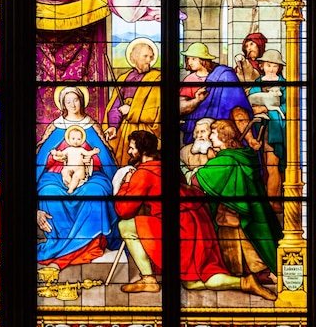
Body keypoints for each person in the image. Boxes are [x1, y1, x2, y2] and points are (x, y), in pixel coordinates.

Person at [115, 131, 276, 300]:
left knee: (125, 226)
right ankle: (244, 283)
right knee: (193, 280)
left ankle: (148, 279)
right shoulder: (166, 165)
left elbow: (124, 210)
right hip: (198, 222)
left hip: (180, 226)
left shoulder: (144, 172)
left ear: (142, 150)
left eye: (132, 148)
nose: (129, 152)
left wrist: (126, 184)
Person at [36, 86, 120, 269]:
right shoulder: (56, 127)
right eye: (68, 101)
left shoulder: (92, 126)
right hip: (57, 174)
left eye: (76, 100)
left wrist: (87, 156)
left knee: (96, 191)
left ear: (82, 101)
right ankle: (60, 244)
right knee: (48, 192)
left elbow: (103, 157)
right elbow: (43, 158)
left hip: (89, 173)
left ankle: (90, 246)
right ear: (62, 104)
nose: (72, 104)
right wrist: (55, 156)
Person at [191, 119, 283, 282]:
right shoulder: (242, 156)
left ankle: (252, 273)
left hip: (235, 218)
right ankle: (251, 273)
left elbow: (197, 181)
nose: (211, 137)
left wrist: (205, 166)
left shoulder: (226, 160)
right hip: (240, 215)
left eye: (213, 132)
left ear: (224, 136)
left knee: (246, 246)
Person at [179, 42, 258, 149]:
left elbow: (236, 105)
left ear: (203, 60)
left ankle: (249, 139)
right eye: (188, 59)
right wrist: (197, 100)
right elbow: (180, 108)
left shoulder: (224, 75)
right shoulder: (190, 80)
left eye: (193, 58)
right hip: (199, 128)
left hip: (224, 126)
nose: (189, 62)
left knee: (237, 109)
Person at [103, 37, 161, 167]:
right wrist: (113, 126)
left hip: (146, 130)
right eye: (145, 56)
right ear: (134, 57)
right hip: (124, 130)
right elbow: (115, 105)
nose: (149, 60)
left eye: (151, 57)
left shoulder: (157, 78)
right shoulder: (124, 78)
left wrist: (131, 111)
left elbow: (157, 111)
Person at [248, 49, 287, 211]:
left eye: (274, 66)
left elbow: (290, 106)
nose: (271, 69)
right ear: (262, 66)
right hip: (261, 130)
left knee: (274, 164)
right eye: (268, 65)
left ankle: (273, 202)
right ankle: (272, 201)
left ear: (279, 68)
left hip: (278, 130)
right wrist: (257, 108)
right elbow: (250, 105)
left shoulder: (284, 85)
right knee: (267, 165)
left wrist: (268, 109)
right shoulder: (257, 84)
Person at [50, 125, 100, 194]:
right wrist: (55, 153)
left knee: (76, 176)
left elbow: (88, 153)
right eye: (73, 138)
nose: (76, 141)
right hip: (69, 169)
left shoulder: (81, 149)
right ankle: (71, 185)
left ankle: (71, 189)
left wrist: (94, 152)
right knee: (64, 172)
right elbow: (61, 154)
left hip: (79, 170)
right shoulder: (68, 149)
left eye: (78, 139)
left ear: (82, 139)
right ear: (69, 139)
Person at [179, 117, 216, 183]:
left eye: (203, 131)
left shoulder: (217, 151)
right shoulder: (185, 150)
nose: (199, 135)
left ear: (211, 132)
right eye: (197, 132)